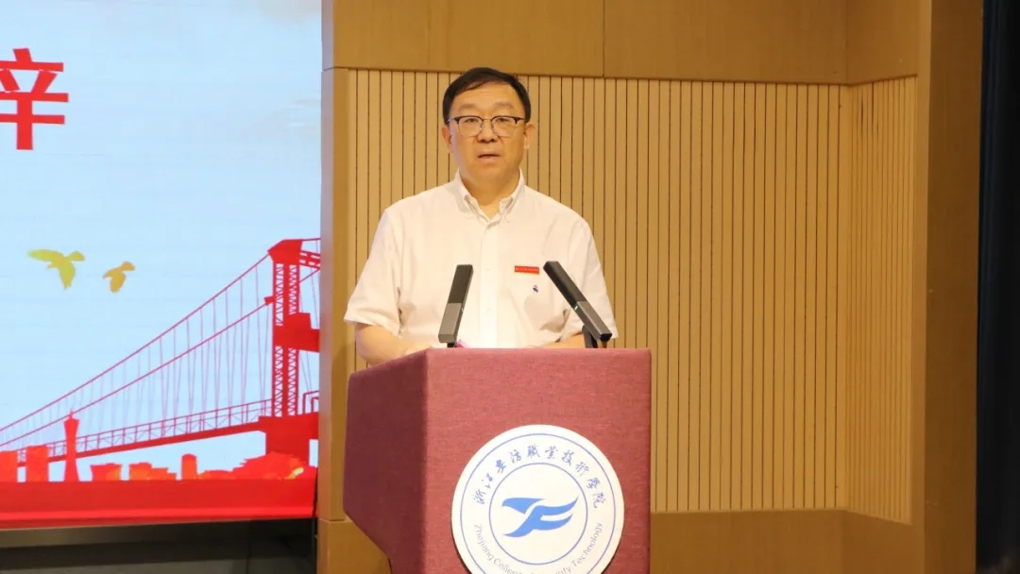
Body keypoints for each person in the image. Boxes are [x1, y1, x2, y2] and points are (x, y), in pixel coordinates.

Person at [343, 66, 618, 366]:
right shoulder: (404, 221)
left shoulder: (566, 228)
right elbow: (369, 331)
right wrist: (425, 362)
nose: (487, 135)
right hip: (431, 391)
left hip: (536, 393)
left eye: (503, 120)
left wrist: (522, 366)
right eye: (470, 121)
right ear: (448, 138)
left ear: (527, 135)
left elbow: (592, 337)